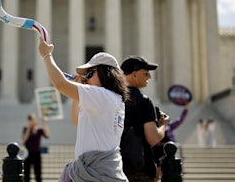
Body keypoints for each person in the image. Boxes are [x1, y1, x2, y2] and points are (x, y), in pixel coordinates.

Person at [38, 38, 129, 182]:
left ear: (105, 73)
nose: (86, 78)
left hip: (95, 175)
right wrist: (77, 92)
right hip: (97, 173)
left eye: (90, 73)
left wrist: (46, 56)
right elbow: (75, 120)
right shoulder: (113, 99)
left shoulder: (101, 95)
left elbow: (60, 84)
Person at [120, 55, 170, 182]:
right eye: (146, 73)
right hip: (139, 169)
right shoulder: (144, 101)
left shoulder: (111, 99)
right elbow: (152, 138)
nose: (149, 77)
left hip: (113, 167)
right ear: (135, 74)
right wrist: (163, 125)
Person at [152, 103, 190, 182]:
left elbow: (180, 120)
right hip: (158, 150)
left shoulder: (169, 126)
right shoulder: (155, 126)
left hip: (169, 151)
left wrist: (185, 109)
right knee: (157, 171)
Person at [22, 113, 50, 182]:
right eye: (31, 119)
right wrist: (29, 128)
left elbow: (47, 135)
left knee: (38, 174)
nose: (32, 121)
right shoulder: (26, 128)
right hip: (27, 153)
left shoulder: (39, 129)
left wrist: (44, 123)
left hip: (37, 153)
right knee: (26, 174)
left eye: (33, 119)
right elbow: (24, 139)